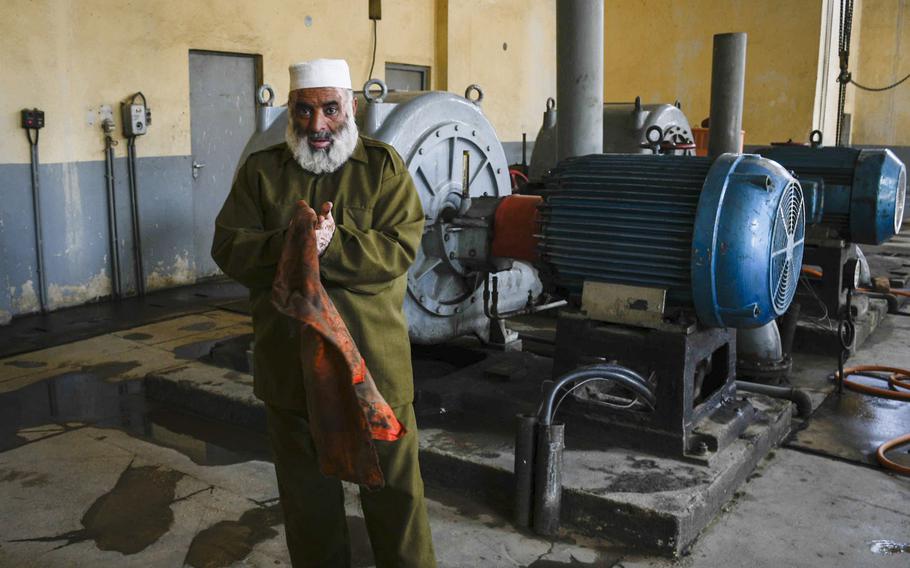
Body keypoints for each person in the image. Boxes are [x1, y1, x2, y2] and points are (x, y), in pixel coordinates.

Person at [212, 58, 436, 568]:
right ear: (289, 111)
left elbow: (399, 249)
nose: (317, 126)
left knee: (397, 497)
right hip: (292, 371)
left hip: (373, 370)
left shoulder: (382, 169)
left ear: (351, 107)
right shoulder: (261, 173)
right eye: (304, 110)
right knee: (307, 504)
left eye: (330, 109)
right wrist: (291, 243)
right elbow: (229, 248)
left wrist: (332, 245)